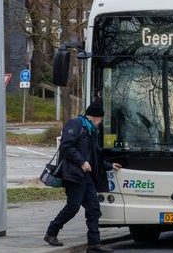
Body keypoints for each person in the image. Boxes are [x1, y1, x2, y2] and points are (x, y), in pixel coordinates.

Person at [44, 100, 121, 253]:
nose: (100, 123)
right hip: (74, 175)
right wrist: (81, 162)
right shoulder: (76, 125)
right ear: (96, 117)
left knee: (94, 208)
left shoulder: (91, 130)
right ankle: (51, 232)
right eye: (100, 119)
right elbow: (66, 146)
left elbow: (94, 157)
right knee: (73, 207)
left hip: (87, 177)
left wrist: (109, 166)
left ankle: (94, 245)